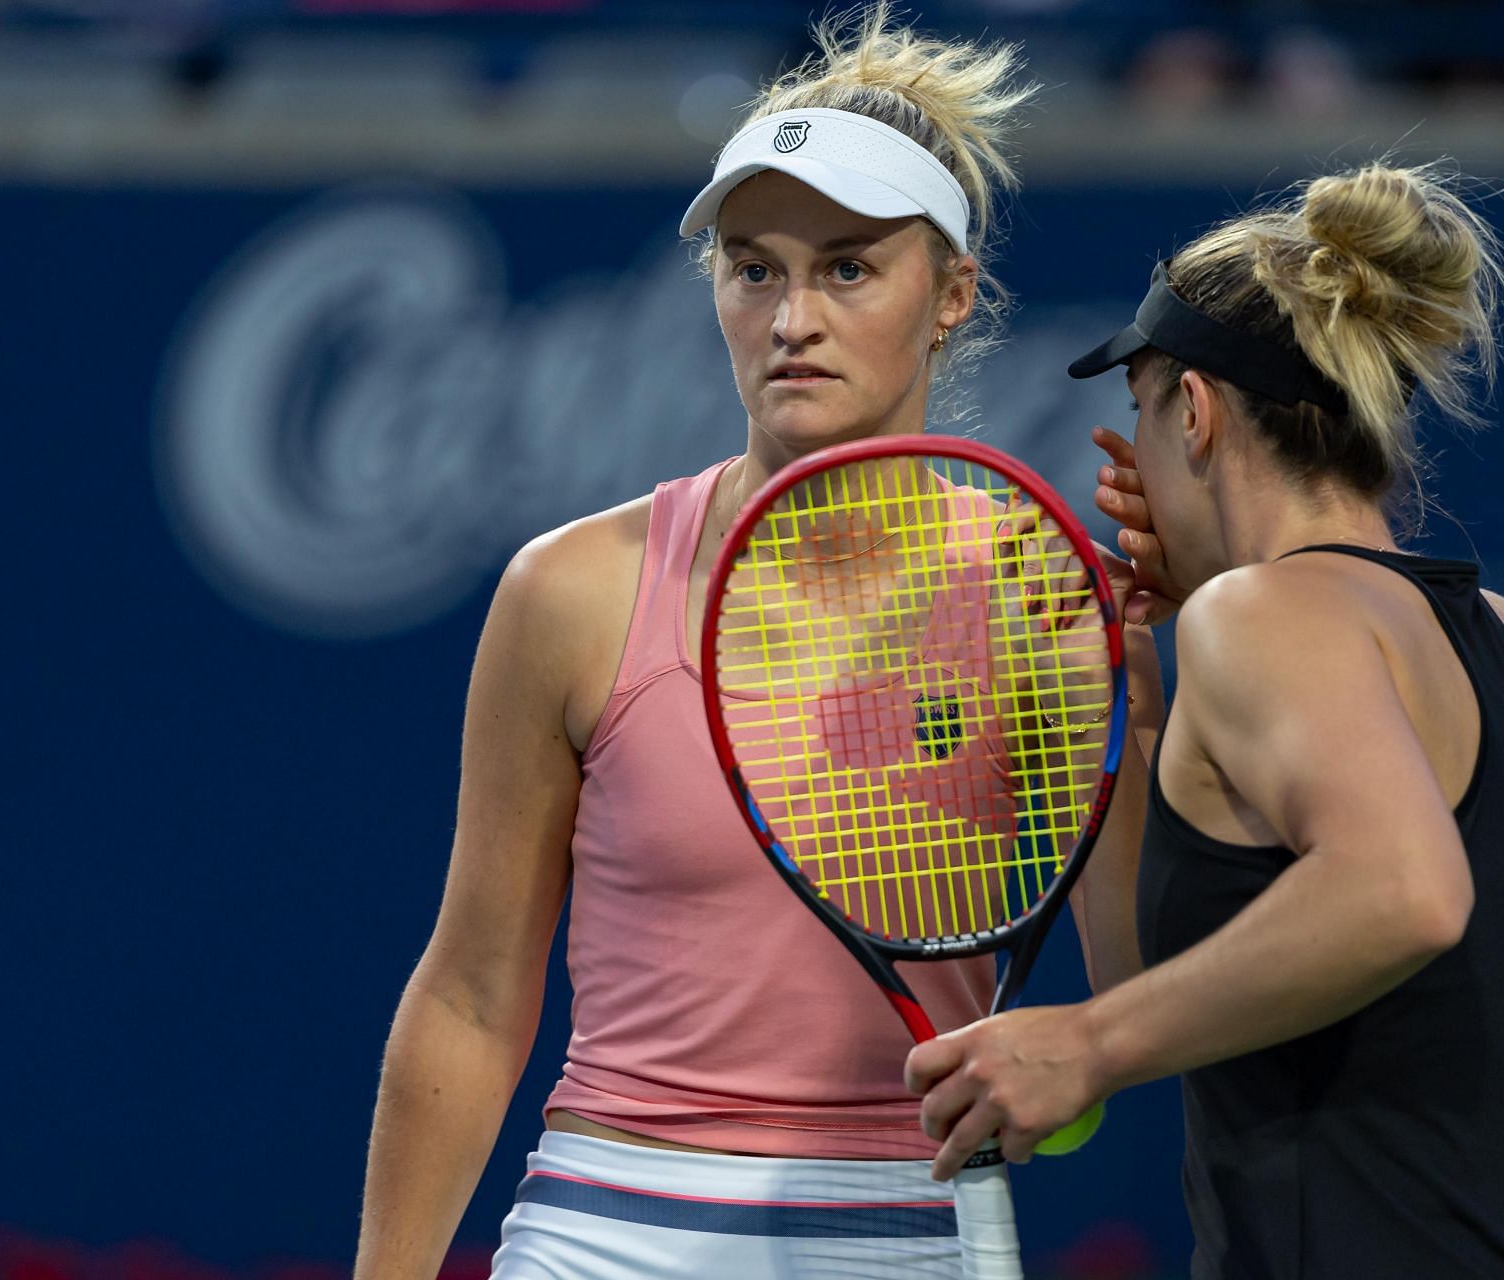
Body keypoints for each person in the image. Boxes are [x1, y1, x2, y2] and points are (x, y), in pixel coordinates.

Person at [353, 7, 1160, 1279]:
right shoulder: (571, 589)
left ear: (950, 295)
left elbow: (1131, 975)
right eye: (753, 267)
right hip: (602, 1229)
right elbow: (469, 991)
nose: (792, 316)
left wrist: (1142, 709)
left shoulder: (1035, 594)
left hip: (908, 1229)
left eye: (847, 267)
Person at [907, 161, 1504, 1278]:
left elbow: (1404, 891)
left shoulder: (1258, 616)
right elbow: (1172, 979)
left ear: (1195, 409)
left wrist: (1083, 1043)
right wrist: (1129, 701)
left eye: (1138, 408)